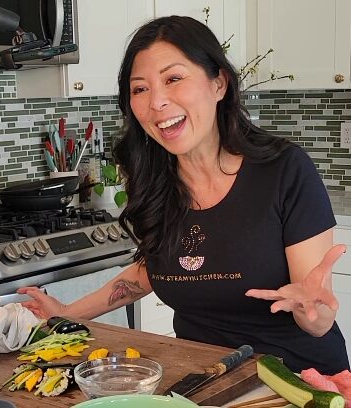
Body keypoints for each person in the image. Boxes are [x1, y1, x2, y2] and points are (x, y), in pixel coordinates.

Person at [19, 15, 349, 375]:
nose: (157, 102)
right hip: (203, 380)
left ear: (218, 84)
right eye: (140, 89)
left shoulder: (283, 170)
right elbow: (153, 269)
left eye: (173, 79)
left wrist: (313, 310)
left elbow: (316, 319)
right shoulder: (154, 179)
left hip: (299, 381)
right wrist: (66, 313)